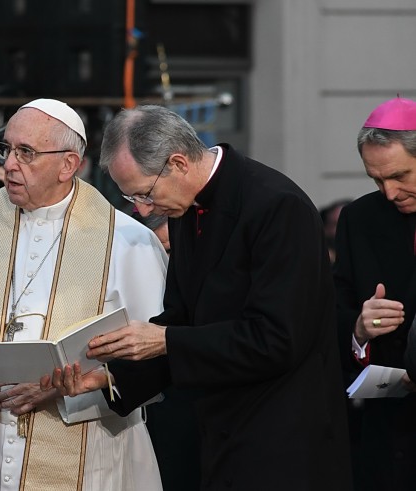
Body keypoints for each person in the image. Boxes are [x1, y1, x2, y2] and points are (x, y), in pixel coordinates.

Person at [47, 104, 352, 490]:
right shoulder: (185, 209)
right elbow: (182, 316)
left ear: (177, 163)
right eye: (131, 199)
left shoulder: (276, 205)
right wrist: (107, 376)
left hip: (282, 439)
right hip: (218, 433)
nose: (143, 210)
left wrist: (165, 340)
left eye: (143, 193)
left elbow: (277, 338)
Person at [0, 99, 168, 491]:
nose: (11, 164)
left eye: (27, 152)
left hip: (89, 447)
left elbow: (154, 361)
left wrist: (67, 386)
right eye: (7, 149)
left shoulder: (126, 241)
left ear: (68, 164)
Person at [335, 96, 416, 491]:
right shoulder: (359, 219)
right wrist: (359, 328)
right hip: (390, 427)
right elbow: (335, 306)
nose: (388, 192)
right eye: (376, 179)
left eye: (400, 176)